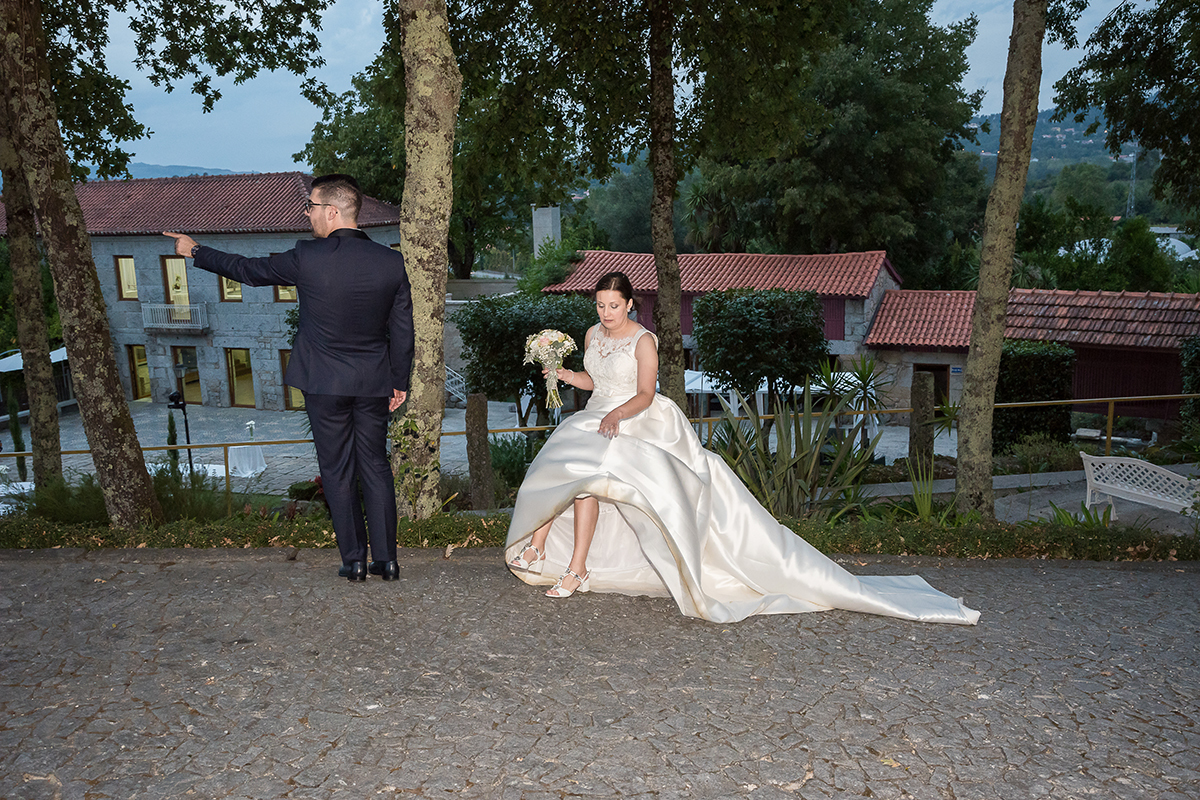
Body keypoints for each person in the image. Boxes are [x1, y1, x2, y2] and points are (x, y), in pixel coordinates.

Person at [505, 271, 979, 624]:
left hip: (633, 419)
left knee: (589, 476)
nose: (605, 313)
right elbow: (595, 380)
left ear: (630, 304)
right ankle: (547, 550)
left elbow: (645, 394)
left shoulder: (644, 341)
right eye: (600, 305)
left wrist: (616, 415)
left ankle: (576, 567)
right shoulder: (591, 335)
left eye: (613, 305)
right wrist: (566, 375)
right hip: (595, 415)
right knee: (563, 469)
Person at [165, 174, 414, 583]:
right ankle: (386, 561)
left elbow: (247, 270)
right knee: (375, 465)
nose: (307, 214)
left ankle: (354, 561)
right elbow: (403, 329)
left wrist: (195, 250)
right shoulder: (391, 262)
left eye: (311, 206)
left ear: (332, 212)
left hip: (322, 382)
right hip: (372, 382)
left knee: (336, 469)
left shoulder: (306, 256)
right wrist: (399, 381)